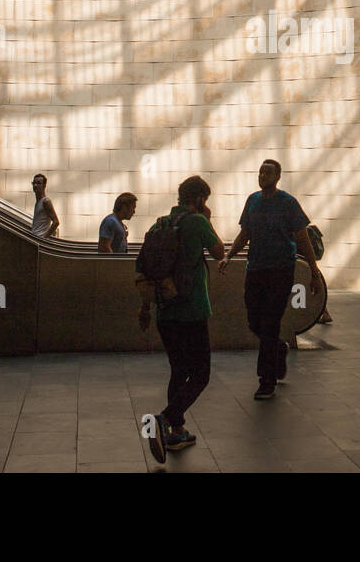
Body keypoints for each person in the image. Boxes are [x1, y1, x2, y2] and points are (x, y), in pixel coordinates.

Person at [218, 159, 321, 400]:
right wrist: (228, 256)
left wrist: (314, 272)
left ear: (278, 176)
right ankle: (278, 347)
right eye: (260, 172)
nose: (262, 175)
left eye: (267, 172)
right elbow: (245, 233)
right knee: (255, 321)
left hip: (281, 270)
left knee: (270, 322)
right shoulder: (252, 201)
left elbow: (303, 238)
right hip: (256, 269)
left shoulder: (288, 203)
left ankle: (267, 380)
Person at [137, 176, 224, 463]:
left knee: (178, 369)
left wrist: (145, 308)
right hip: (192, 311)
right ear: (198, 199)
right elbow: (219, 252)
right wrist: (207, 221)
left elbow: (145, 267)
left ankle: (177, 431)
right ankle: (165, 419)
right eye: (205, 200)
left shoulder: (159, 224)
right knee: (201, 374)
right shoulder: (197, 222)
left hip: (165, 311)